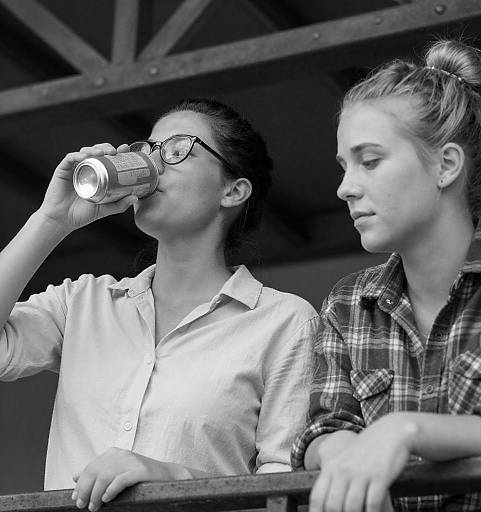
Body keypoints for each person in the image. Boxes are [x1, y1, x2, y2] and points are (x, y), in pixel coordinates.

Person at [0, 98, 318, 510]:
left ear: (233, 190)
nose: (153, 162)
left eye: (176, 149)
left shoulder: (284, 322)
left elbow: (288, 492)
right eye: (149, 149)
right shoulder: (84, 302)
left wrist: (174, 479)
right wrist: (52, 219)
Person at [291, 40, 481, 511]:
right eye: (344, 166)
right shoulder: (347, 303)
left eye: (369, 161)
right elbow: (322, 429)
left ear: (446, 165)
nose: (345, 187)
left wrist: (404, 429)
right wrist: (344, 453)